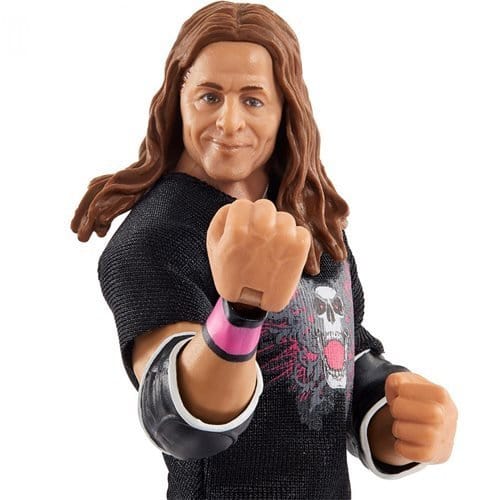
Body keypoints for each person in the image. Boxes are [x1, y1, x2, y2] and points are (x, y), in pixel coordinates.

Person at [71, 2, 457, 498]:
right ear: (178, 101)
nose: (229, 122)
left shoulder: (314, 223)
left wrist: (398, 418)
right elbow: (179, 422)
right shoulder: (155, 238)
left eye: (252, 100)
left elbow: (340, 361)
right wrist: (241, 311)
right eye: (210, 96)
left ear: (285, 108)